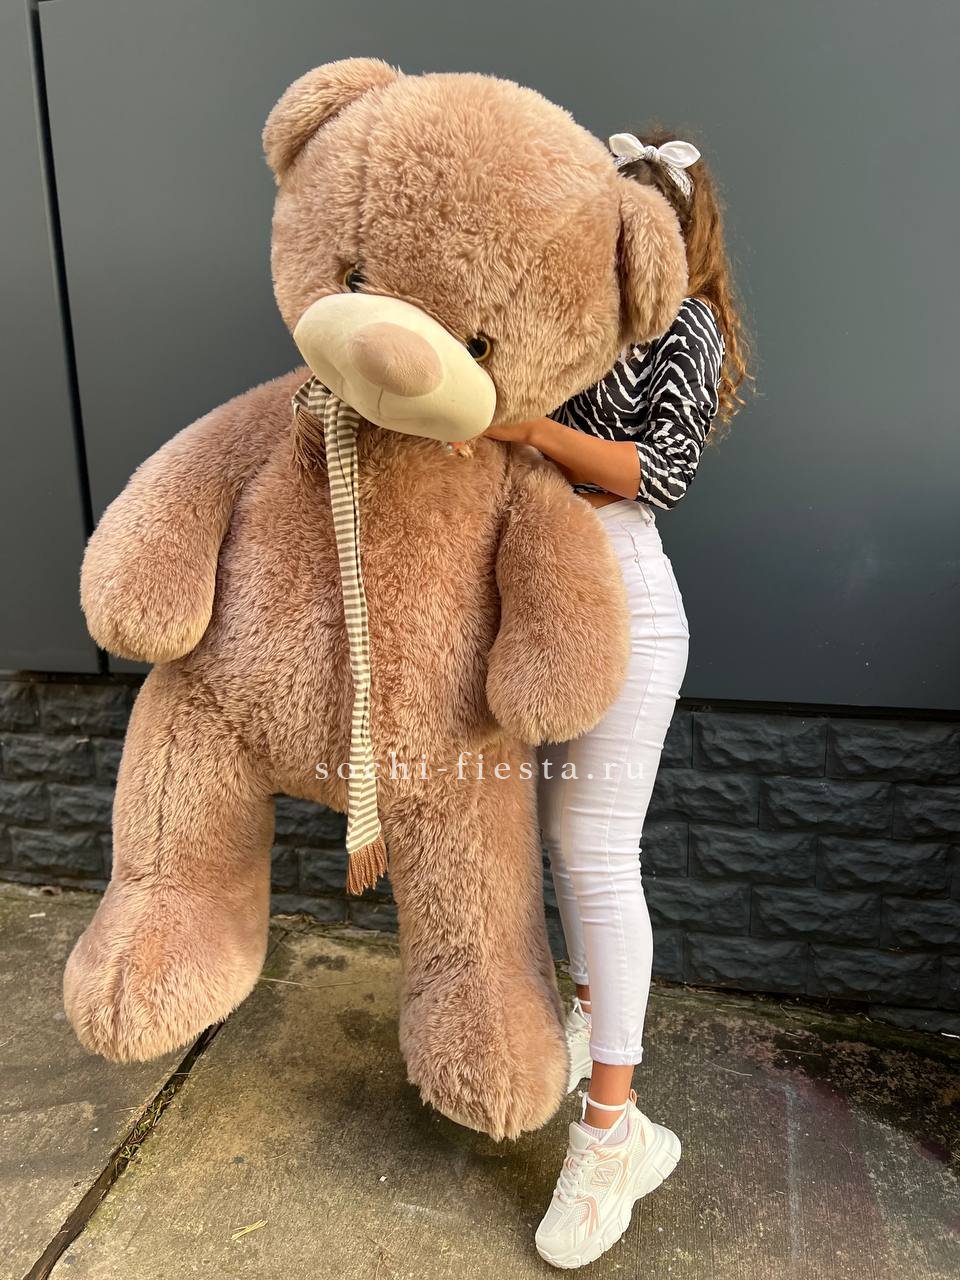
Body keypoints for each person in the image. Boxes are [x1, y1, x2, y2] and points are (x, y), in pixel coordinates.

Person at [484, 128, 750, 1269]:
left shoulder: (685, 325)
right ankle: (601, 1043)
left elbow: (661, 473)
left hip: (628, 601)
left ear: (677, 235)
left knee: (595, 852)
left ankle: (611, 1133)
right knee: (560, 843)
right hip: (551, 604)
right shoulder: (575, 320)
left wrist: (530, 430)